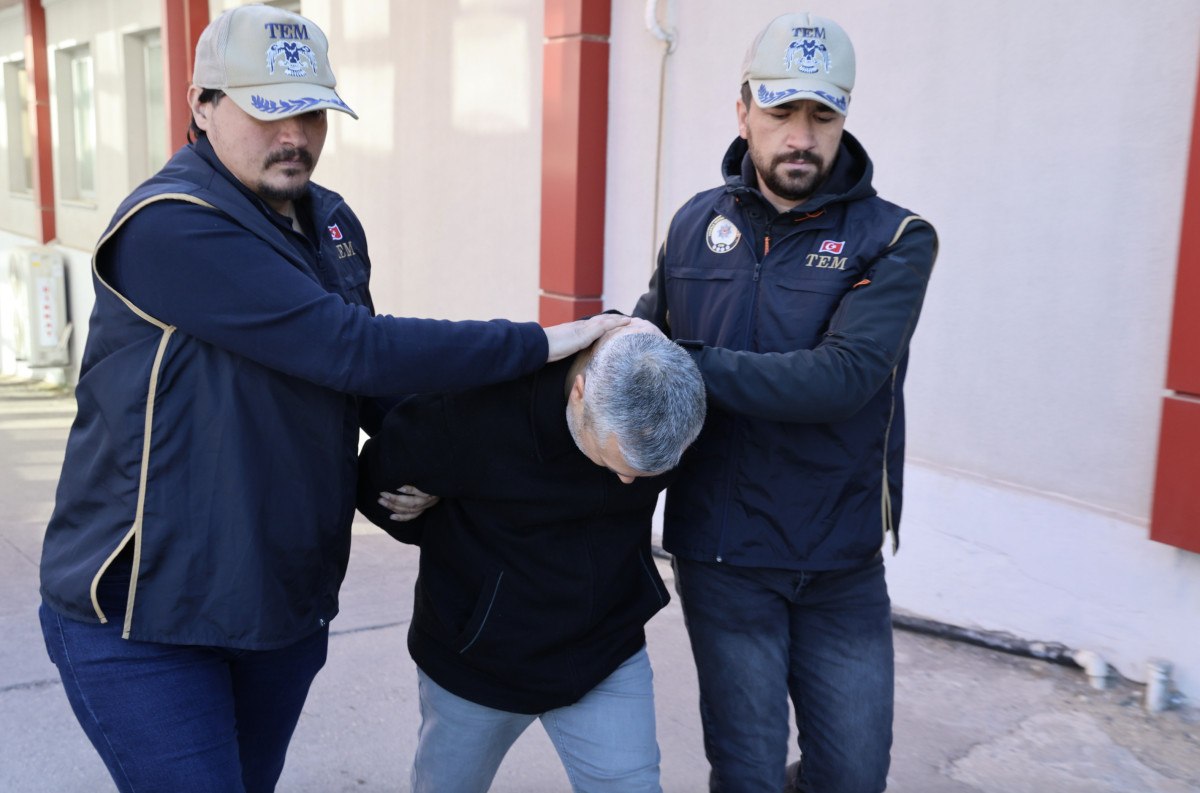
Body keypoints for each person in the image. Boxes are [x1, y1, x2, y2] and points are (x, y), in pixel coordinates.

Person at [36, 5, 625, 793]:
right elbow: (349, 345)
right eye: (268, 111)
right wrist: (539, 346)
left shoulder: (332, 221)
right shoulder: (170, 225)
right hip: (144, 615)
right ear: (202, 104)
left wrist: (430, 467)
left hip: (277, 600)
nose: (296, 136)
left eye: (312, 113)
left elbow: (372, 388)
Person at [633, 12, 939, 793]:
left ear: (844, 117)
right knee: (748, 773)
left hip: (839, 559)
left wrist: (683, 362)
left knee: (852, 774)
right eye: (781, 112)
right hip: (723, 555)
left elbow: (842, 378)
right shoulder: (694, 224)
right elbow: (639, 353)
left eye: (822, 115)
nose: (801, 137)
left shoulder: (896, 238)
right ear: (743, 111)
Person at [356, 318, 706, 793]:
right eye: (614, 463)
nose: (628, 483)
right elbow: (378, 484)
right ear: (579, 394)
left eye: (644, 475)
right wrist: (441, 518)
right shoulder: (472, 410)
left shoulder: (669, 395)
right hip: (479, 666)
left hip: (606, 651)